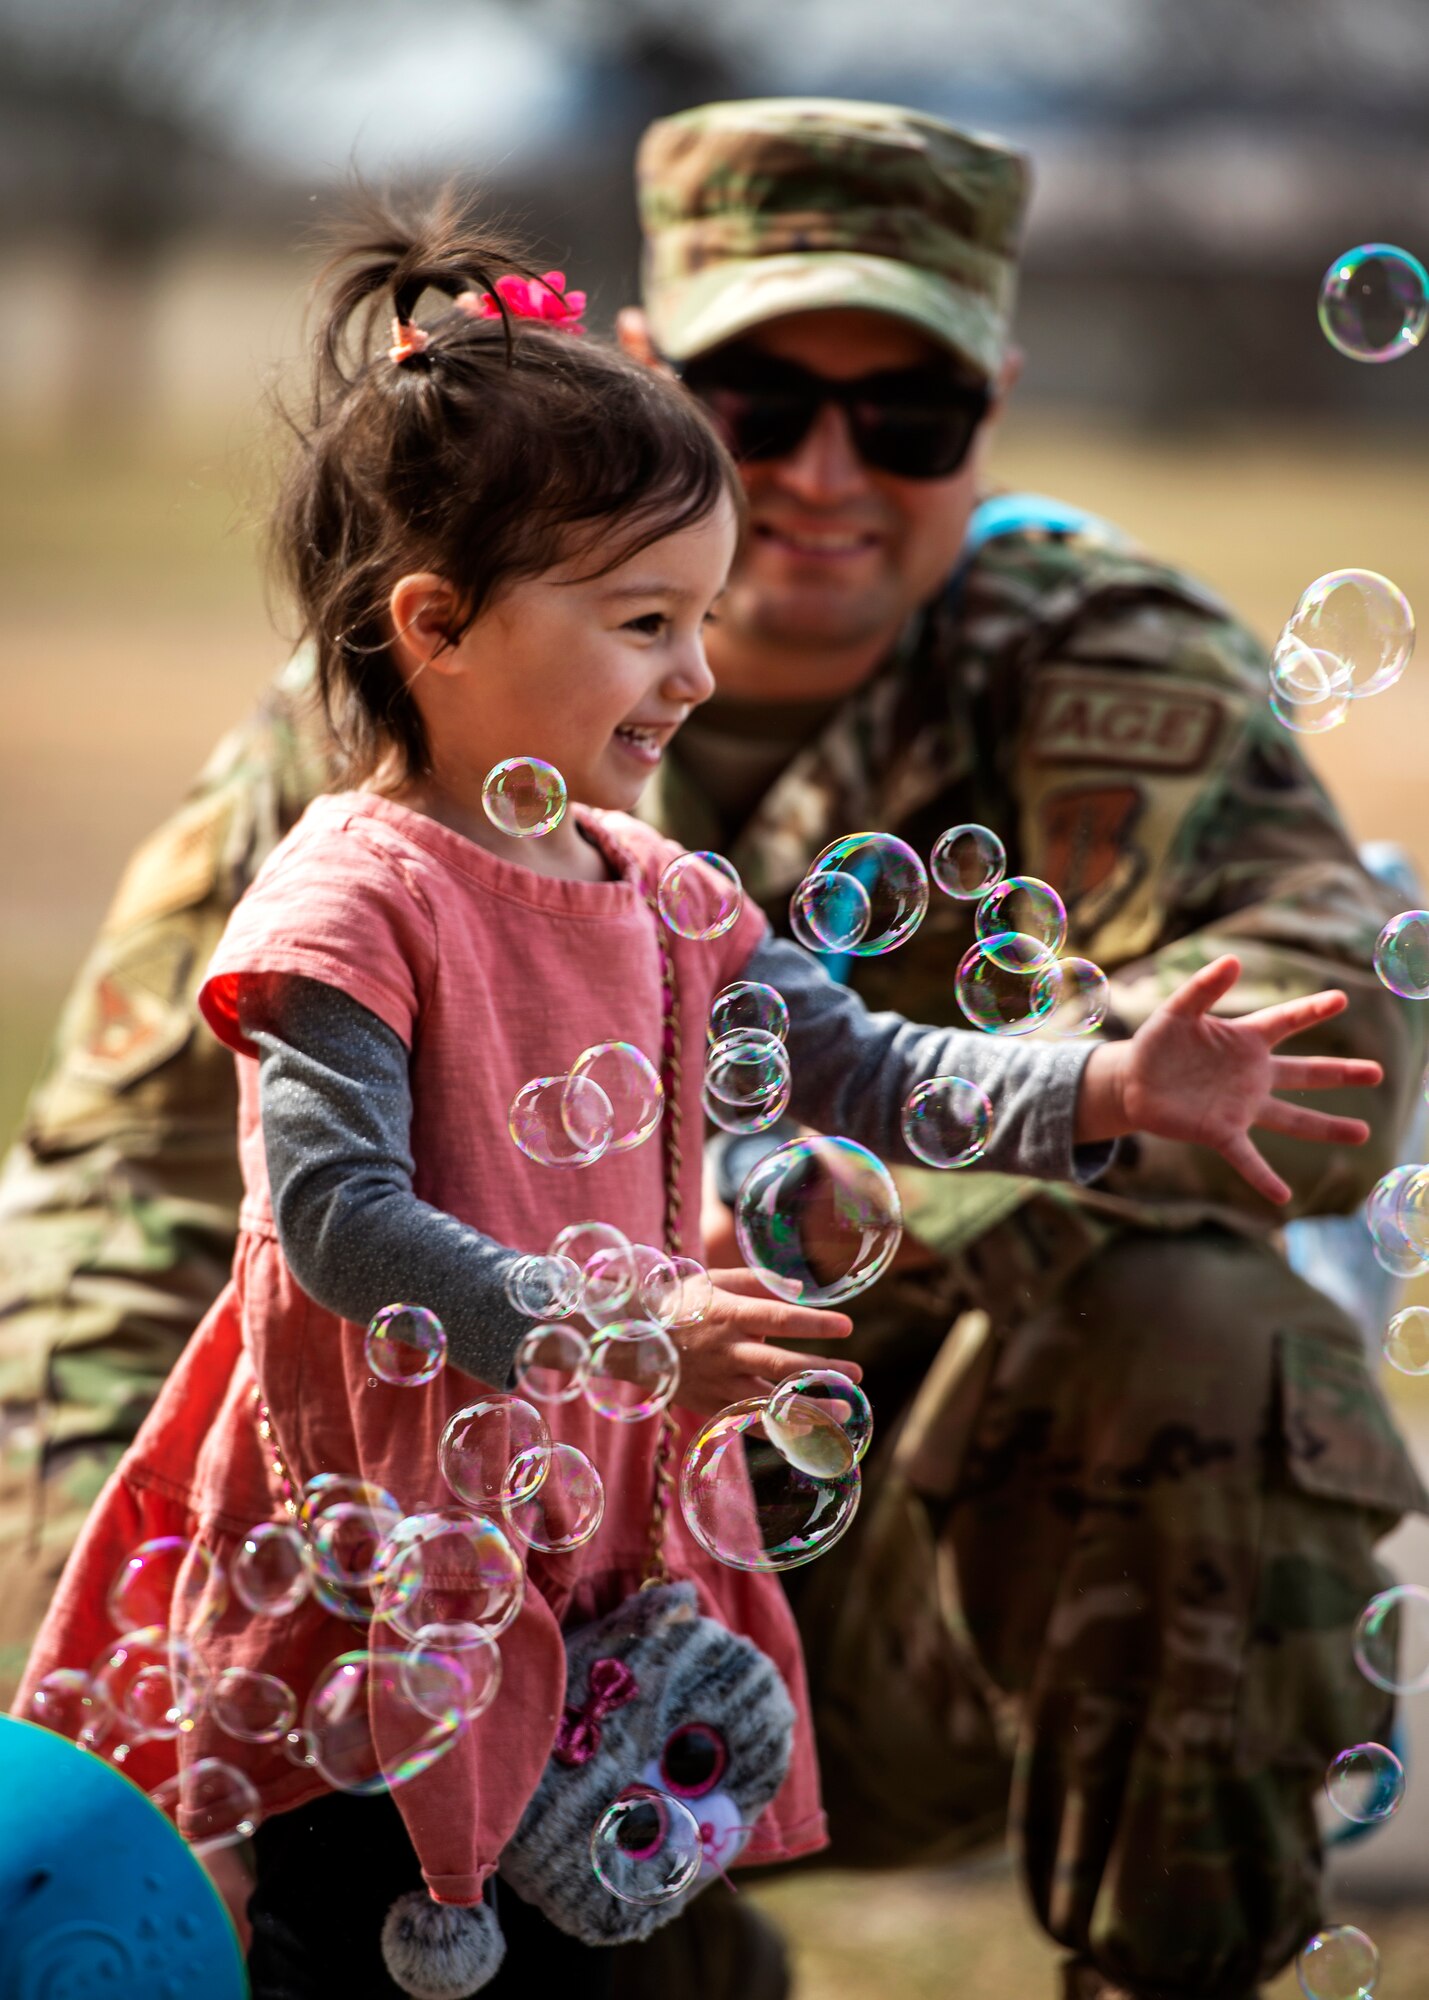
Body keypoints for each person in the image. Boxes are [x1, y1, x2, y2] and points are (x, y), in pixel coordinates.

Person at [0, 96, 1422, 2000]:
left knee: (1202, 1333)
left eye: (903, 414)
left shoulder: (817, 794)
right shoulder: (363, 817)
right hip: (397, 1560)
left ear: (991, 408)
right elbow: (220, 1204)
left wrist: (1081, 1098)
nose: (825, 474)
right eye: (762, 402)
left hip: (734, 1525)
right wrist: (138, 1713)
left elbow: (907, 1062)